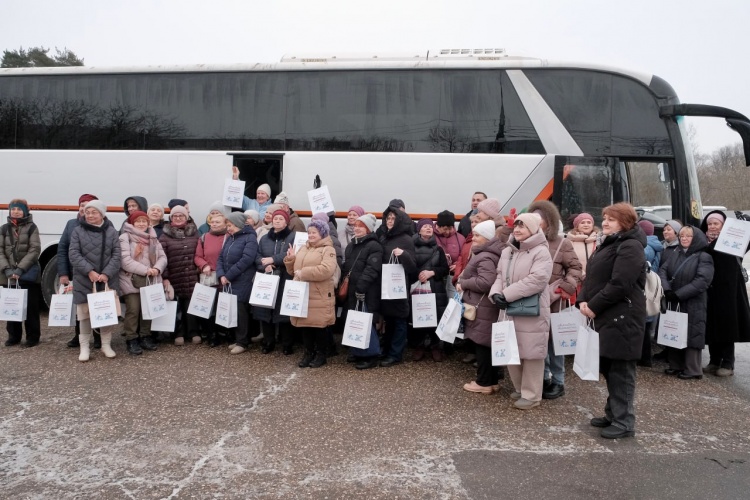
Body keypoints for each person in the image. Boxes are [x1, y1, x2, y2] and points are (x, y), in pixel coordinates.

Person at [577, 202, 646, 439]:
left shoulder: (630, 246)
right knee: (609, 367)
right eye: (604, 217)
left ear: (625, 222)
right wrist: (583, 300)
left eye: (611, 219)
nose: (605, 222)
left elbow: (620, 284)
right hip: (606, 315)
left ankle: (625, 421)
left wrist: (594, 305)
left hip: (622, 317)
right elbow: (591, 277)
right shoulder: (609, 243)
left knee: (621, 371)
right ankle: (613, 413)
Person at [490, 213, 553, 410]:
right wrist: (495, 293)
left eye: (522, 226)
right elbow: (500, 275)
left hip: (532, 309)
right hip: (509, 307)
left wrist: (506, 294)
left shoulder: (541, 252)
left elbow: (537, 280)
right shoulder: (507, 251)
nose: (517, 230)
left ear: (533, 229)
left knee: (532, 352)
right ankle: (520, 388)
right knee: (512, 348)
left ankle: (532, 394)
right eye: (516, 225)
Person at [527, 200, 582, 401]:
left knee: (554, 342)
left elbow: (576, 269)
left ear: (548, 221)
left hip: (553, 301)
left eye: (538, 218)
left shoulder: (562, 243)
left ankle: (558, 381)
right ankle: (542, 378)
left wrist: (566, 286)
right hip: (531, 301)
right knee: (537, 342)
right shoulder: (526, 241)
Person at [658, 225, 714, 379]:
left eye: (688, 236)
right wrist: (667, 289)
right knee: (675, 331)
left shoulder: (704, 256)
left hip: (693, 302)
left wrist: (679, 294)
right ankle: (676, 365)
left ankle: (693, 369)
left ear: (695, 238)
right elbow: (663, 271)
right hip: (675, 300)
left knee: (692, 334)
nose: (684, 238)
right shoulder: (676, 253)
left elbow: (702, 281)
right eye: (682, 235)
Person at [68, 200, 121, 362]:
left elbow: (117, 255)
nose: (90, 215)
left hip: (106, 280)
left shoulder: (112, 232)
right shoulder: (77, 231)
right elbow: (74, 254)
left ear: (102, 214)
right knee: (84, 316)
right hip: (84, 279)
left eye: (94, 212)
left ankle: (106, 345)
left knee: (106, 314)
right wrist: (89, 271)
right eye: (88, 212)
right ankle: (84, 347)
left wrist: (106, 273)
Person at [457, 220, 506, 394]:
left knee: (482, 344)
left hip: (482, 307)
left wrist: (464, 283)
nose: (474, 238)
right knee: (487, 344)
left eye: (477, 235)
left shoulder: (485, 256)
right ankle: (491, 381)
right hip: (486, 306)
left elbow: (486, 282)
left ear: (486, 237)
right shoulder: (490, 253)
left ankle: (483, 383)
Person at [700, 210, 750, 377]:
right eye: (710, 224)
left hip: (730, 291)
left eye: (716, 223)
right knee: (712, 325)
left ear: (723, 225)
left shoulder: (733, 239)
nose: (712, 226)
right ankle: (714, 360)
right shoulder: (703, 241)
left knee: (727, 326)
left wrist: (746, 223)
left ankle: (728, 363)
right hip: (711, 288)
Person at [284, 218, 337, 368]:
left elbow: (327, 270)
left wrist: (304, 273)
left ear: (322, 233)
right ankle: (308, 353)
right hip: (303, 293)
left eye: (314, 232)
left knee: (319, 326)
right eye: (309, 232)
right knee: (305, 325)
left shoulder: (328, 249)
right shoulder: (303, 248)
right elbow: (294, 272)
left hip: (318, 294)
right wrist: (291, 259)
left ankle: (321, 354)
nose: (311, 235)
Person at [118, 211, 167, 355]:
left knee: (148, 309)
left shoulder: (153, 238)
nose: (141, 224)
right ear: (132, 223)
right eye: (137, 221)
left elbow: (163, 257)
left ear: (148, 223)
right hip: (131, 279)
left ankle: (145, 336)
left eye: (143, 221)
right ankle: (131, 339)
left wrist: (157, 268)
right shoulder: (125, 237)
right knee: (133, 310)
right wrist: (146, 270)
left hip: (151, 279)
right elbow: (125, 261)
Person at [57, 193, 101, 349]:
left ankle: (98, 337)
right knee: (79, 306)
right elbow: (62, 249)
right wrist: (63, 273)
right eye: (82, 205)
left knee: (97, 305)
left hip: (96, 273)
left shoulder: (101, 225)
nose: (85, 208)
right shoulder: (71, 224)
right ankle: (78, 336)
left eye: (89, 205)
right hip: (76, 272)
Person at [341, 213, 383, 369]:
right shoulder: (352, 245)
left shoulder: (374, 246)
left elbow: (372, 269)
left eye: (361, 226)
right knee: (354, 320)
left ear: (369, 229)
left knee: (366, 323)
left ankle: (370, 355)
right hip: (353, 290)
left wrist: (361, 287)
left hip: (366, 291)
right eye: (356, 226)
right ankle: (357, 351)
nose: (357, 229)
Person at [379, 204, 418, 367]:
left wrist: (404, 255)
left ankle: (396, 354)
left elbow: (412, 268)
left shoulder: (406, 239)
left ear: (400, 221)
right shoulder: (383, 237)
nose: (390, 221)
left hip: (398, 286)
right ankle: (387, 349)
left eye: (393, 218)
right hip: (386, 285)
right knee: (389, 319)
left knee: (400, 320)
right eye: (388, 218)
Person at [253, 209, 296, 355]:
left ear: (286, 222)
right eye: (275, 218)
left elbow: (291, 254)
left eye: (280, 219)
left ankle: (287, 344)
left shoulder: (292, 236)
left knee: (284, 313)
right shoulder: (265, 238)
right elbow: (257, 256)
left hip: (285, 278)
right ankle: (268, 342)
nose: (277, 221)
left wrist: (274, 259)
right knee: (266, 312)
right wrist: (264, 265)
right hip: (267, 278)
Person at [1, 199, 42, 348]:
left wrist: (20, 269)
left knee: (30, 307)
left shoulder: (32, 227)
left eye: (19, 209)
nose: (16, 212)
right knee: (12, 305)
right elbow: (0, 251)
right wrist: (7, 269)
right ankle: (14, 336)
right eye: (13, 209)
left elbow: (34, 250)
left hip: (27, 273)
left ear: (25, 211)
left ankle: (33, 337)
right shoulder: (4, 228)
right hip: (8, 274)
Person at [159, 205, 201, 346]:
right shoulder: (164, 236)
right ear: (171, 218)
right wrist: (165, 277)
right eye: (175, 216)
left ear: (186, 217)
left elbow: (200, 253)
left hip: (191, 275)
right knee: (176, 306)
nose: (178, 218)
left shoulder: (194, 234)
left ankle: (193, 332)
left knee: (191, 305)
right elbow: (162, 258)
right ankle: (178, 333)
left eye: (181, 216)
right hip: (174, 275)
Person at [218, 212, 259, 354]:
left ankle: (243, 342)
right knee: (234, 310)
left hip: (243, 280)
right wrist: (221, 274)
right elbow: (221, 258)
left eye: (230, 225)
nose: (228, 228)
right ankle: (237, 339)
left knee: (242, 311)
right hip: (230, 280)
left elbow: (247, 260)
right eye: (227, 225)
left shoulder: (250, 238)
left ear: (239, 224)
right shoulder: (231, 238)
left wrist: (228, 275)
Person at [412, 218, 450, 361]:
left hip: (436, 287)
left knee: (435, 316)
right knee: (419, 316)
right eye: (425, 226)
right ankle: (419, 345)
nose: (428, 228)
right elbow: (409, 266)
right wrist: (419, 274)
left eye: (430, 226)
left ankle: (435, 346)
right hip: (418, 286)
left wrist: (431, 272)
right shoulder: (412, 247)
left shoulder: (438, 249)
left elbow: (444, 269)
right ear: (419, 230)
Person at [194, 212, 229, 346]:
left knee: (224, 306)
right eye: (212, 222)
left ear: (225, 224)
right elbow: (197, 256)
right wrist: (204, 265)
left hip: (225, 277)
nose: (214, 224)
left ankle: (224, 332)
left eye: (218, 222)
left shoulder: (229, 236)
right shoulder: (204, 237)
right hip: (209, 277)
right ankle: (212, 335)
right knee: (209, 307)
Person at [637, 219, 664, 367]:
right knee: (646, 324)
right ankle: (644, 357)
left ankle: (644, 358)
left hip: (645, 285)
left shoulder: (645, 246)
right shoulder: (655, 244)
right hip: (651, 285)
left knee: (644, 325)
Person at [435, 210, 465, 297]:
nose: (447, 232)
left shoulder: (460, 238)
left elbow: (463, 256)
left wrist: (457, 265)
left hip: (452, 276)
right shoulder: (430, 236)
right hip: (437, 277)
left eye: (450, 228)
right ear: (438, 226)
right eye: (444, 229)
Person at [567, 213, 598, 278]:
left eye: (589, 222)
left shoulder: (599, 241)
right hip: (576, 279)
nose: (586, 225)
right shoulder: (569, 242)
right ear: (576, 226)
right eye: (582, 222)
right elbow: (568, 262)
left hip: (595, 279)